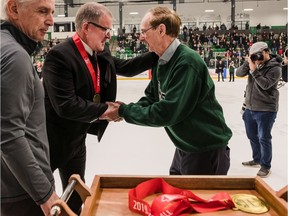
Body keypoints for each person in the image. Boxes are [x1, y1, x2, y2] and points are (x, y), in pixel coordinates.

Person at [42, 2, 158, 213]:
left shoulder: (100, 53)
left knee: (76, 194)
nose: (109, 35)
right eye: (105, 29)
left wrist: (160, 52)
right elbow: (65, 106)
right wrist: (105, 110)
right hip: (50, 142)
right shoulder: (59, 56)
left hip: (77, 141)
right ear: (87, 27)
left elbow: (127, 67)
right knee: (42, 199)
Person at [101, 6, 232, 176]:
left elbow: (167, 112)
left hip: (205, 149)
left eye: (143, 31)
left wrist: (124, 111)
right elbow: (151, 97)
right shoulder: (161, 58)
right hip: (185, 146)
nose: (140, 37)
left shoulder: (186, 63)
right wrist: (122, 109)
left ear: (161, 30)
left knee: (195, 202)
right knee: (176, 195)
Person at [0, 0, 59, 215]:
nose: (51, 20)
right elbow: (8, 134)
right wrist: (44, 194)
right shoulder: (15, 56)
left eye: (52, 12)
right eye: (42, 11)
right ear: (14, 9)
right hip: (23, 193)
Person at [236, 41, 282, 178]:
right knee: (252, 136)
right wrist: (248, 62)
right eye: (254, 55)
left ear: (266, 52)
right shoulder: (254, 63)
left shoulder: (275, 67)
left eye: (258, 55)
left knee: (264, 138)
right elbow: (238, 73)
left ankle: (265, 166)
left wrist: (254, 70)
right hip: (249, 107)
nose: (257, 58)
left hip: (266, 109)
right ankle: (257, 159)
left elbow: (266, 85)